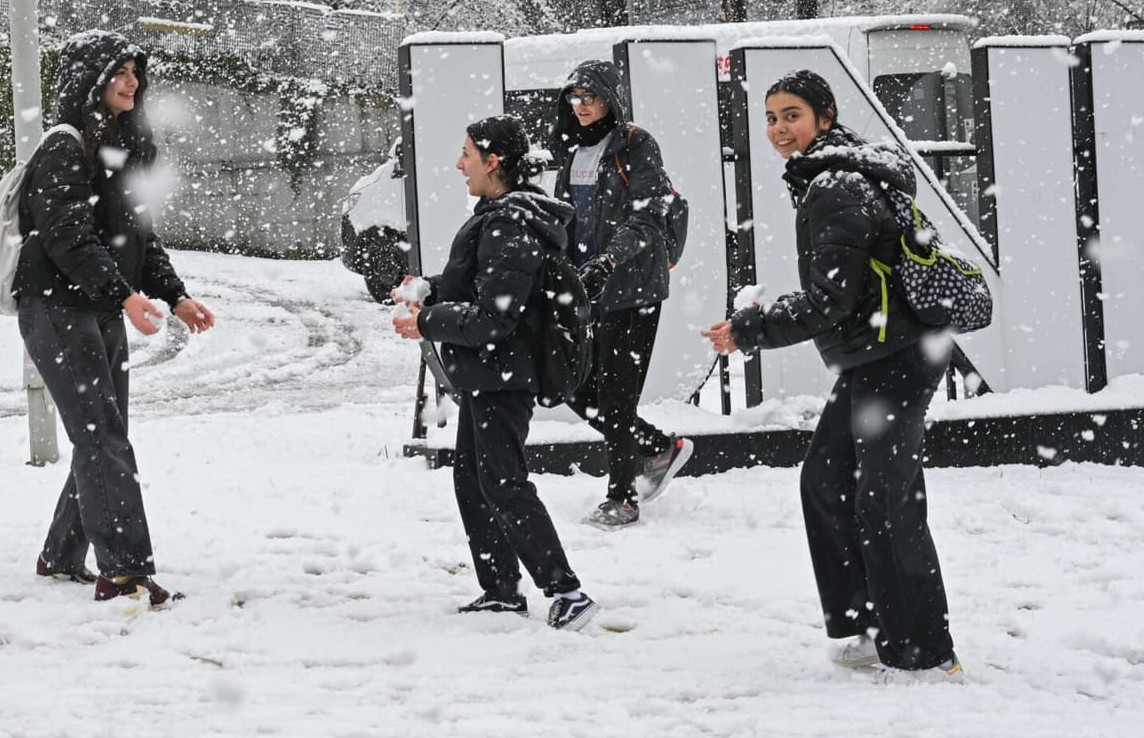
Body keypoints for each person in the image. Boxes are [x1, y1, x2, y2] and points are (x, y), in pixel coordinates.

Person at [702, 70, 961, 678]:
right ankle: (865, 626)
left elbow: (832, 299)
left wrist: (750, 329)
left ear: (824, 116)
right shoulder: (838, 175)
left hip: (894, 356)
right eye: (770, 118)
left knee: (884, 501)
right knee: (827, 482)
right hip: (882, 353)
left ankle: (924, 651)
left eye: (791, 115)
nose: (779, 129)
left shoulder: (836, 186)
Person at [16, 29, 215, 608]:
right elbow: (66, 238)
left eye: (136, 72)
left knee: (103, 434)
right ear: (91, 79)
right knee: (100, 434)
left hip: (96, 305)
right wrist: (125, 295)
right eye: (120, 72)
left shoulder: (123, 147)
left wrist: (174, 296)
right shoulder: (65, 147)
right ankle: (124, 571)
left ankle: (60, 554)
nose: (133, 82)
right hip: (55, 306)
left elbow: (137, 237)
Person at [392, 115, 597, 631]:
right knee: (472, 479)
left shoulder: (510, 222)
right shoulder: (500, 216)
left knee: (504, 483)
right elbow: (481, 285)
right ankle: (501, 588)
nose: (459, 164)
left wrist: (426, 321)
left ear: (494, 162)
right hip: (488, 377)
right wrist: (429, 289)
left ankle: (567, 591)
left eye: (467, 154)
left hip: (503, 376)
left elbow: (495, 318)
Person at [551, 60, 694, 529]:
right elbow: (565, 220)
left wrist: (609, 261)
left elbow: (648, 217)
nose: (581, 106)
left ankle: (623, 497)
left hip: (634, 289)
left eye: (590, 97)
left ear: (612, 98)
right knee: (571, 385)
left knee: (616, 397)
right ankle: (656, 446)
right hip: (586, 288)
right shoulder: (573, 151)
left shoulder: (635, 144)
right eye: (574, 97)